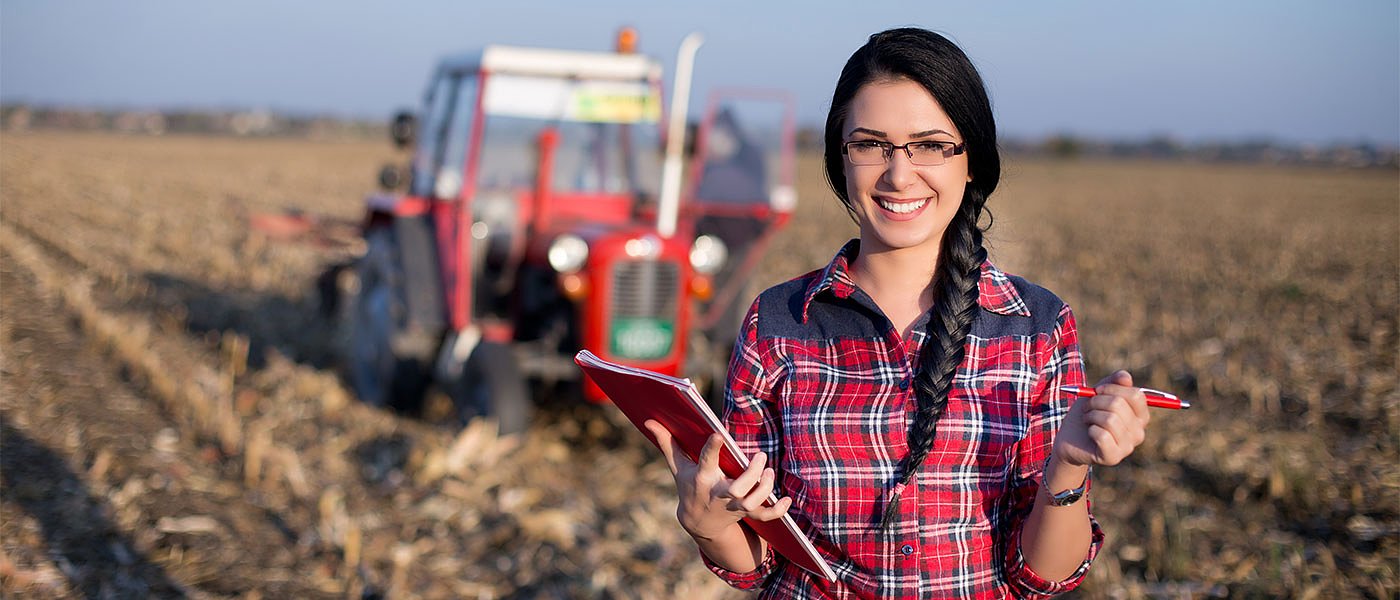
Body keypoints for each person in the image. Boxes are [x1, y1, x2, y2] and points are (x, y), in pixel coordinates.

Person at [643, 27, 1152, 598]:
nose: (899, 174)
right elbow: (759, 561)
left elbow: (1041, 575)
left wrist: (1068, 465)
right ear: (841, 158)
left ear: (972, 163)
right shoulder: (776, 323)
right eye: (871, 144)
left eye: (931, 145)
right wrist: (710, 525)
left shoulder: (1037, 327)